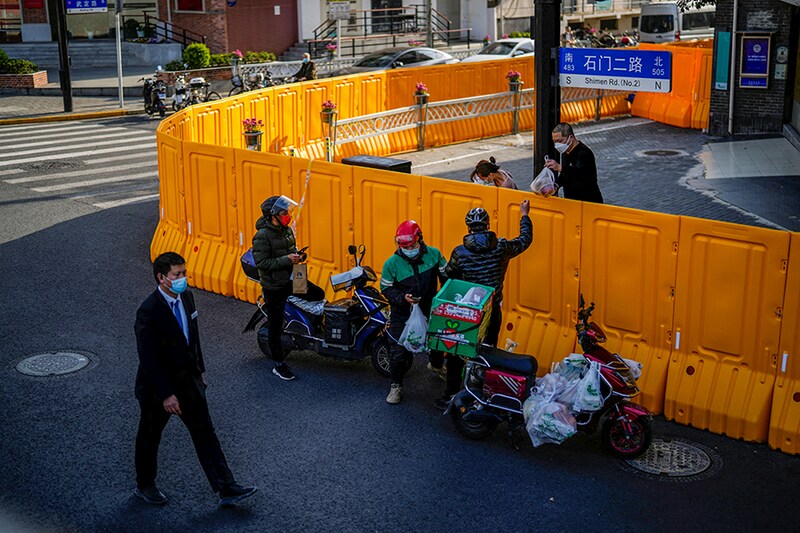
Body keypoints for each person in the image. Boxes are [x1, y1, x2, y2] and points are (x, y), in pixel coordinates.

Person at [134, 252, 257, 507]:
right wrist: (166, 394)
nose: (183, 279)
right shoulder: (148, 311)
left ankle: (226, 487)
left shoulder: (187, 297)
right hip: (159, 390)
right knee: (149, 436)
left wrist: (199, 372)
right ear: (162, 278)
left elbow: (194, 339)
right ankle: (145, 485)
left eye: (184, 273)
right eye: (177, 275)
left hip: (189, 382)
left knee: (205, 433)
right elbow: (148, 358)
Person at [435, 201, 532, 410]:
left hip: (468, 312)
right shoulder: (501, 247)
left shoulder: (460, 252)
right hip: (492, 311)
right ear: (488, 225)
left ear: (468, 228)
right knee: (488, 352)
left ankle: (451, 396)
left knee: (457, 353)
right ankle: (485, 395)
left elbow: (448, 275)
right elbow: (525, 240)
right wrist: (524, 215)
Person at [252, 195, 325, 381]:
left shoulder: (286, 231)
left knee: (319, 294)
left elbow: (290, 252)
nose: (288, 215)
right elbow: (261, 262)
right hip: (275, 286)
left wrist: (298, 257)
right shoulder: (262, 236)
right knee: (275, 327)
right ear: (273, 215)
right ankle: (279, 364)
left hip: (293, 277)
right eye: (284, 213)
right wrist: (287, 259)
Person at [380, 220, 447, 404]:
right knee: (398, 352)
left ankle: (436, 366)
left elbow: (446, 277)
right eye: (405, 247)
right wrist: (403, 298)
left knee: (437, 342)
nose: (409, 249)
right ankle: (396, 386)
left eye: (412, 245)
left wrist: (443, 298)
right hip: (402, 313)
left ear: (420, 239)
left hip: (429, 308)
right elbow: (385, 289)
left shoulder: (434, 255)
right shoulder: (391, 263)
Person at [544, 122, 604, 204]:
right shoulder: (565, 152)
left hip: (589, 201)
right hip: (572, 201)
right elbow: (565, 175)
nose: (557, 145)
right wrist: (556, 186)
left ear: (571, 137)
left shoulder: (584, 153)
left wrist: (560, 167)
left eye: (560, 141)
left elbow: (581, 174)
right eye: (555, 142)